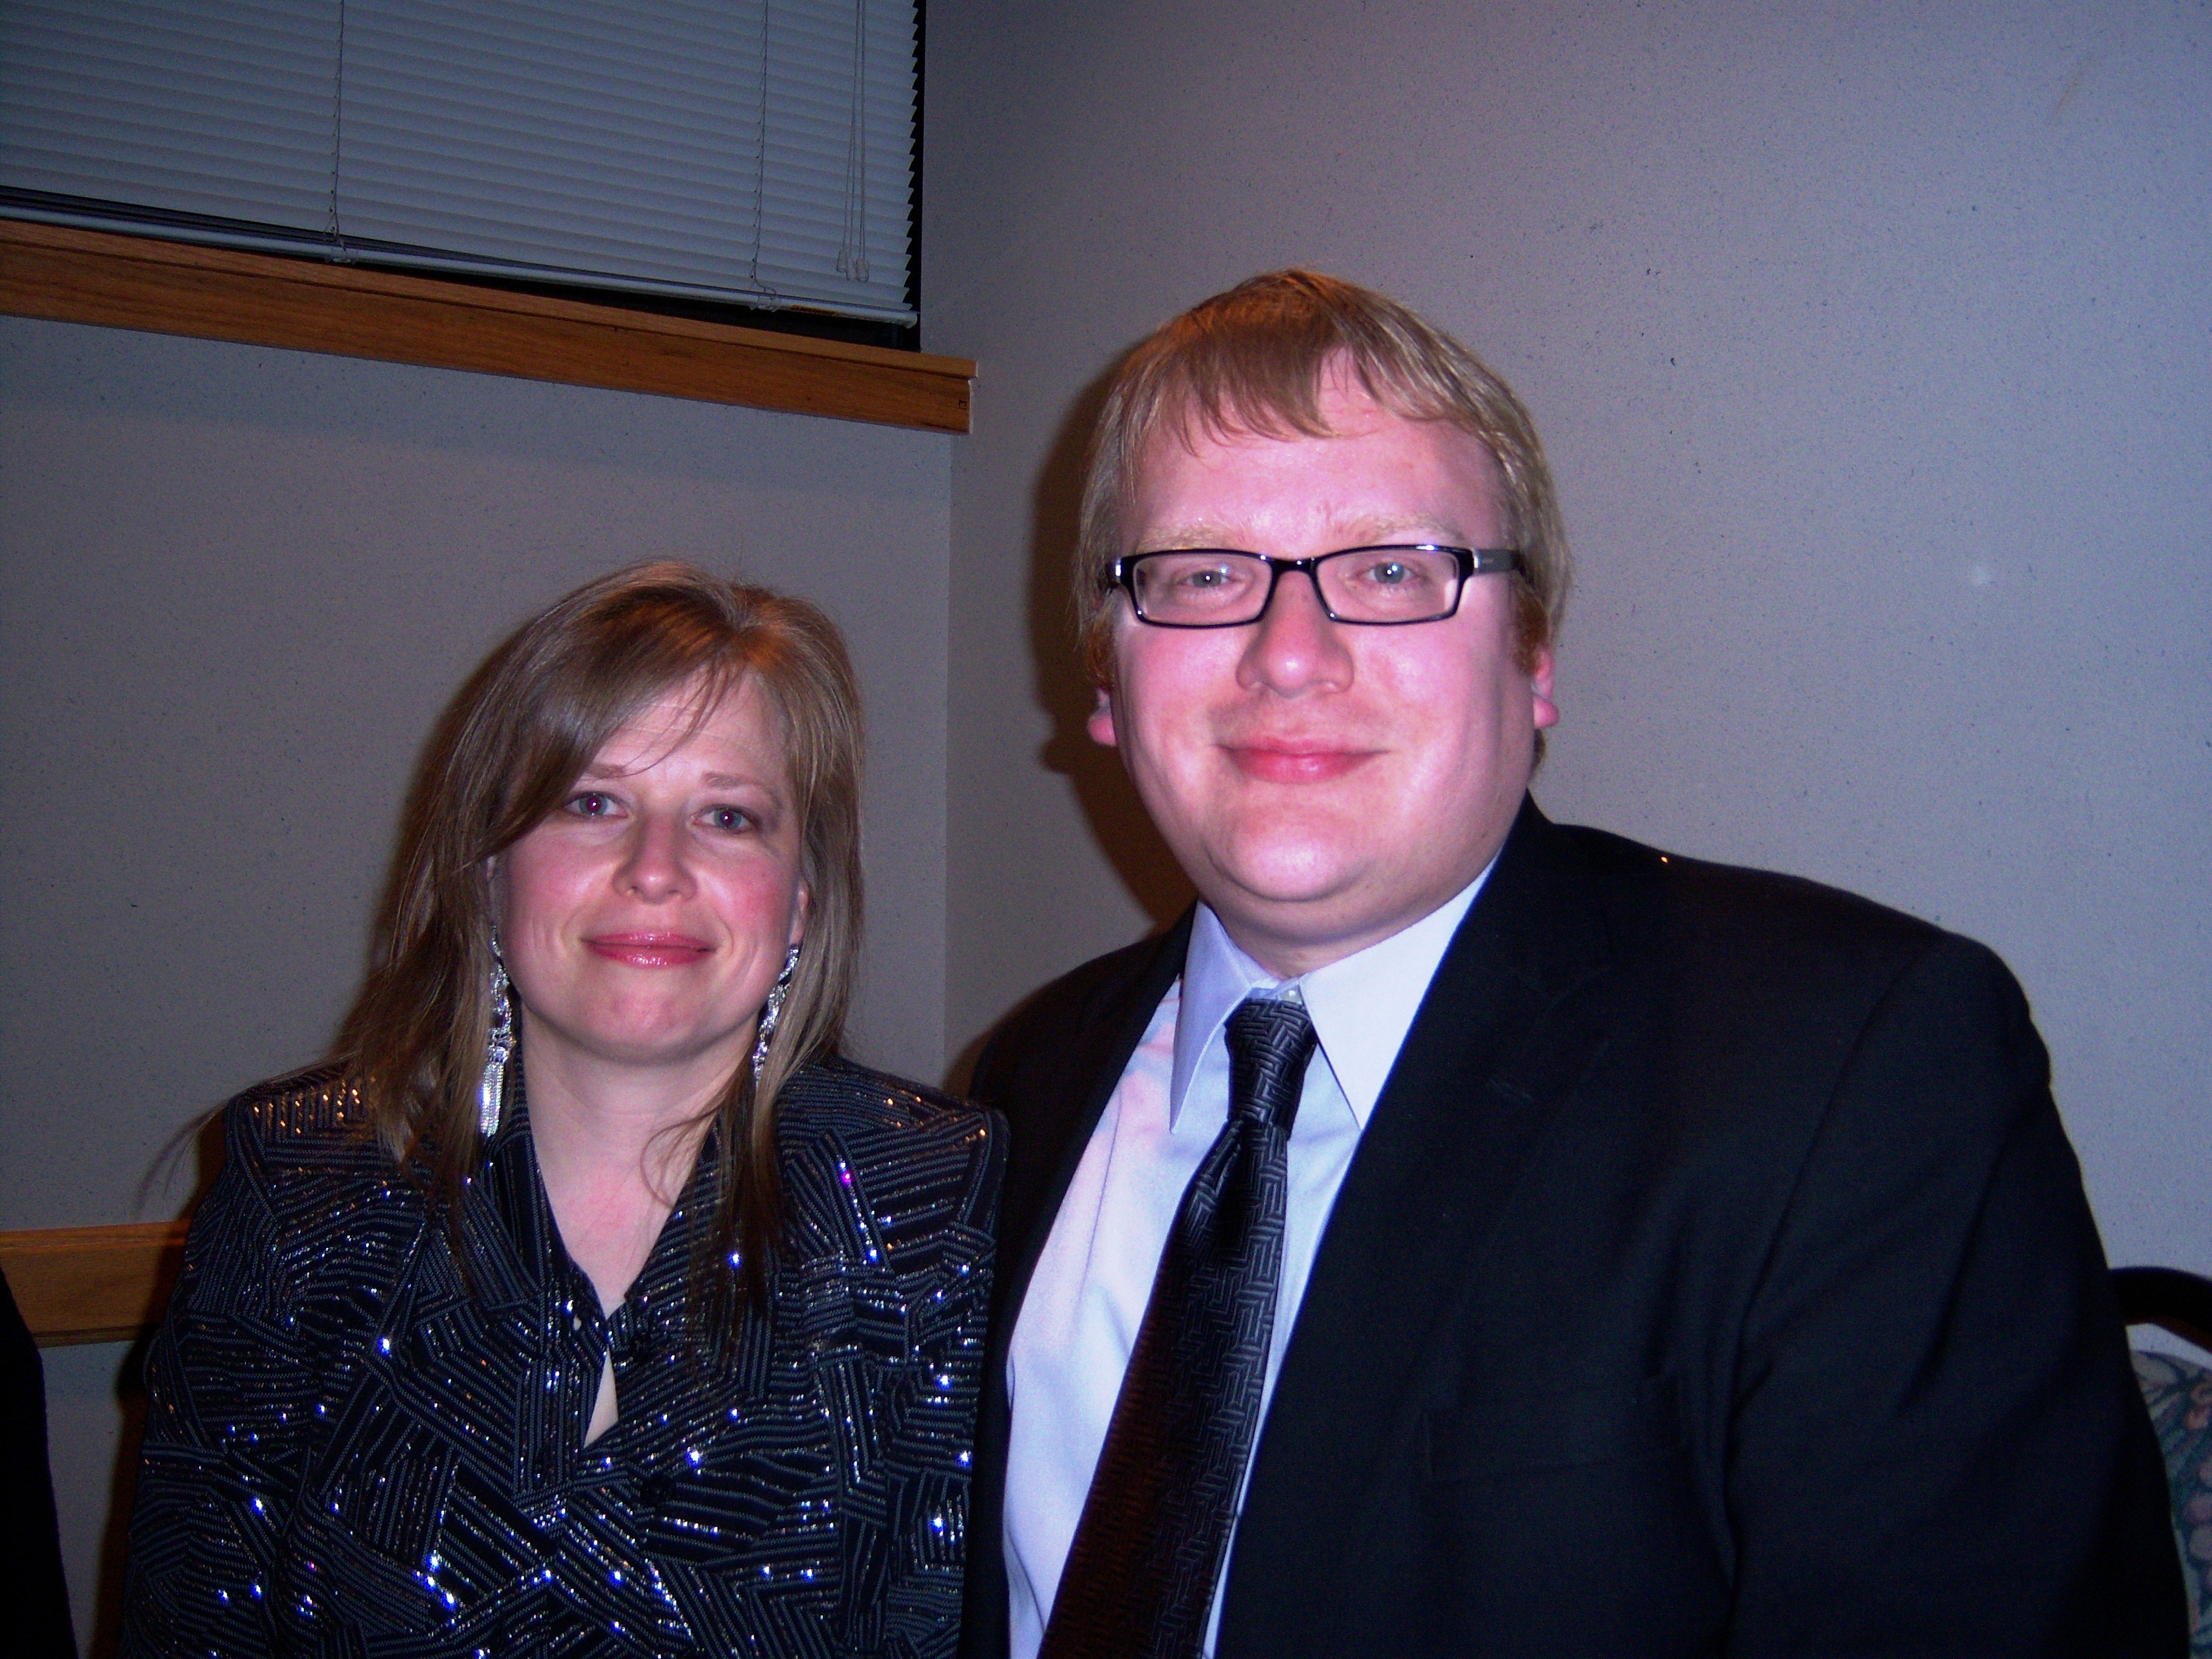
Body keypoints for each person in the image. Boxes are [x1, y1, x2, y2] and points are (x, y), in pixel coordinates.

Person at [959, 272, 2182, 1658]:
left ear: (1535, 659)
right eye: (1199, 575)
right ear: (1107, 686)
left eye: (1391, 571)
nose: (1288, 655)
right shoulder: (1023, 1085)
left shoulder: (1856, 1070)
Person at [122, 563, 1002, 1657]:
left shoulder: (936, 1207)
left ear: (800, 900)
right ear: (488, 869)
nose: (654, 870)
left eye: (727, 816)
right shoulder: (302, 1187)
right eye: (594, 803)